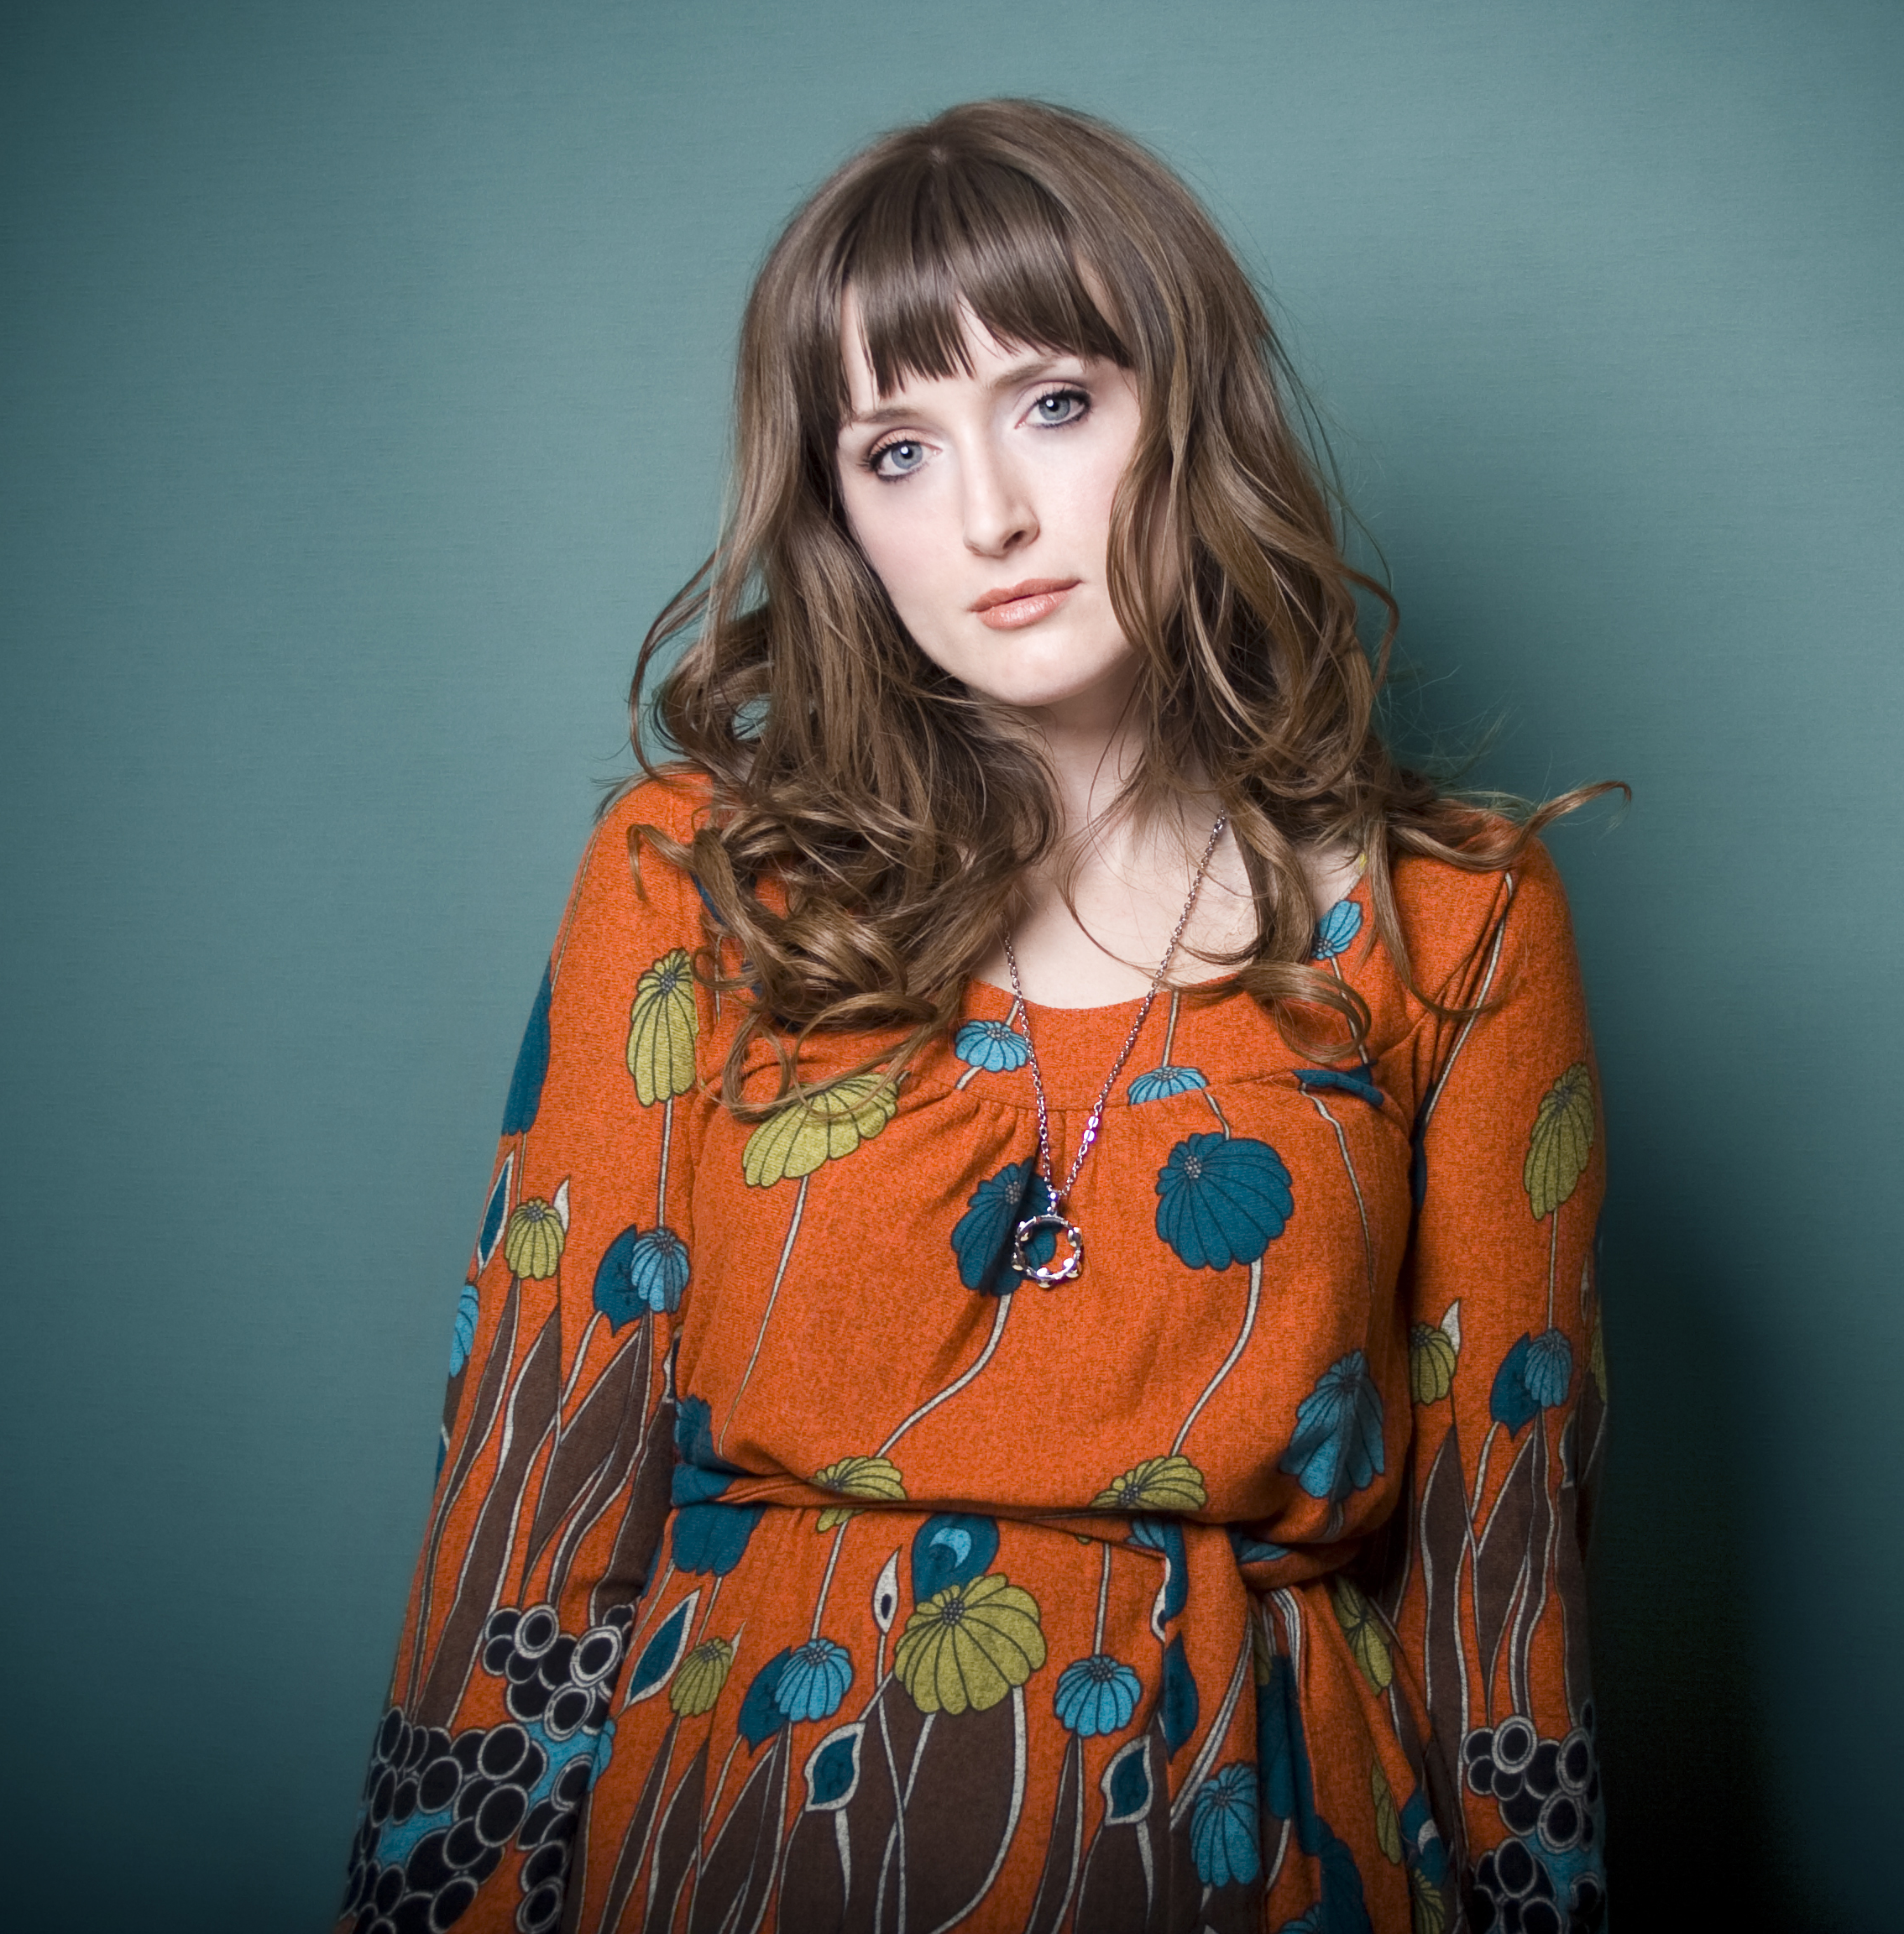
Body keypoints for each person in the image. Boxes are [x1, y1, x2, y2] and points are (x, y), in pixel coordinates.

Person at [339, 99, 1612, 1934]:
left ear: (1195, 411)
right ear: (838, 514)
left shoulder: (1456, 917)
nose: (990, 514)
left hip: (1268, 1865)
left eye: (1057, 403)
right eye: (897, 450)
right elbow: (534, 1487)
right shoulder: (695, 881)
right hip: (735, 1864)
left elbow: (1504, 1575)